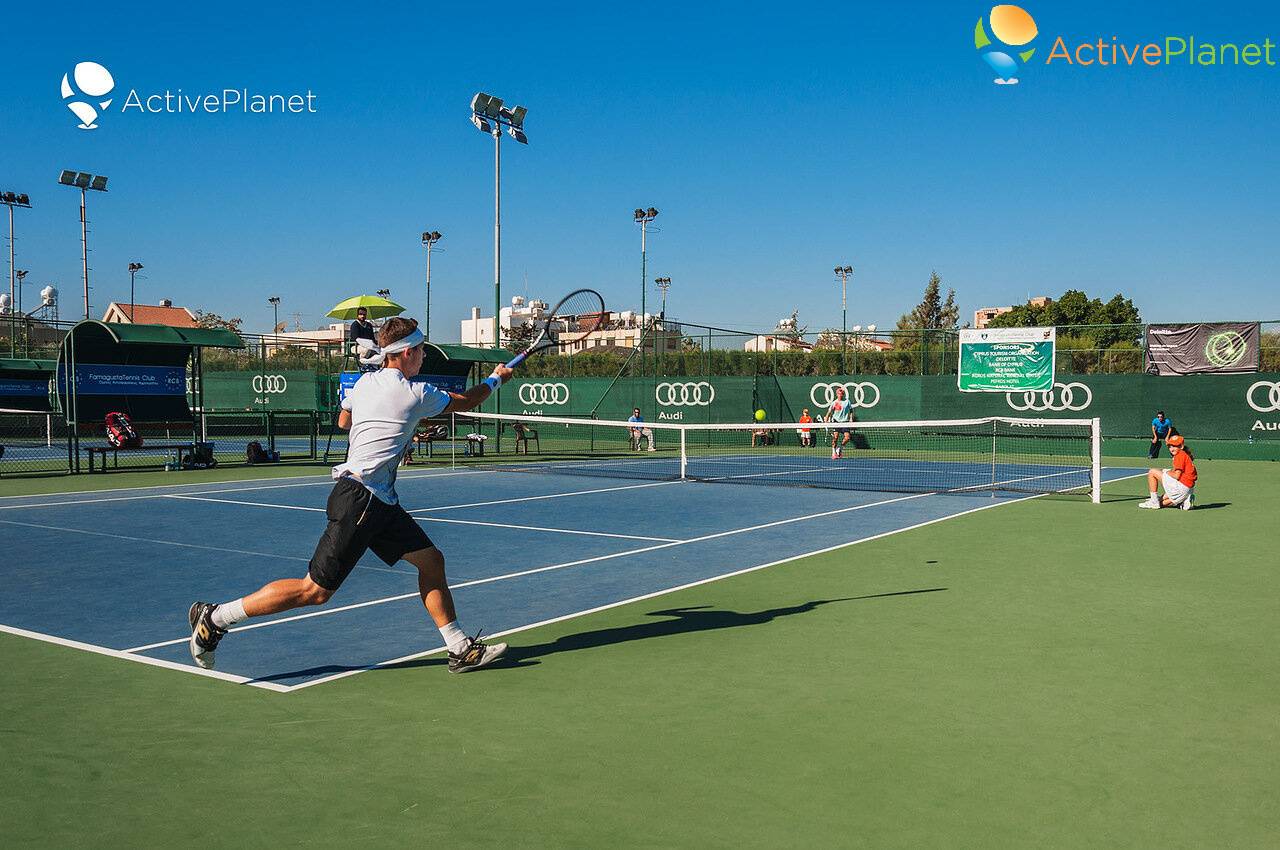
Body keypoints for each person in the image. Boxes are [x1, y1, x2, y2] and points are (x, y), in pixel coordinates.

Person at [188, 317, 515, 674]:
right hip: (361, 500)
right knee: (313, 591)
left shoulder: (364, 384)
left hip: (381, 502)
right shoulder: (415, 393)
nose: (423, 357)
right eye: (420, 351)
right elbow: (468, 399)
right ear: (406, 353)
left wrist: (381, 412)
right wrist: (496, 377)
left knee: (431, 561)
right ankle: (216, 617)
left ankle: (459, 647)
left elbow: (345, 421)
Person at [1139, 434, 1197, 510]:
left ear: (1181, 446)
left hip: (1181, 487)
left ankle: (1153, 501)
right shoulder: (1185, 455)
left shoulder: (1179, 456)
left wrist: (1166, 472)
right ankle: (1183, 502)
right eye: (1170, 446)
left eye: (1174, 446)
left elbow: (1176, 476)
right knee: (1160, 503)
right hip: (1187, 490)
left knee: (1152, 472)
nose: (1171, 448)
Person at [825, 387, 853, 459]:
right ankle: (833, 453)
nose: (840, 395)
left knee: (847, 438)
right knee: (835, 438)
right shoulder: (834, 403)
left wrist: (851, 418)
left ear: (843, 394)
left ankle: (839, 448)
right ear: (837, 394)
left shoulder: (847, 401)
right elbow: (829, 411)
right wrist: (826, 419)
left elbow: (851, 410)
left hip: (845, 422)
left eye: (842, 393)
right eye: (839, 393)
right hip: (836, 422)